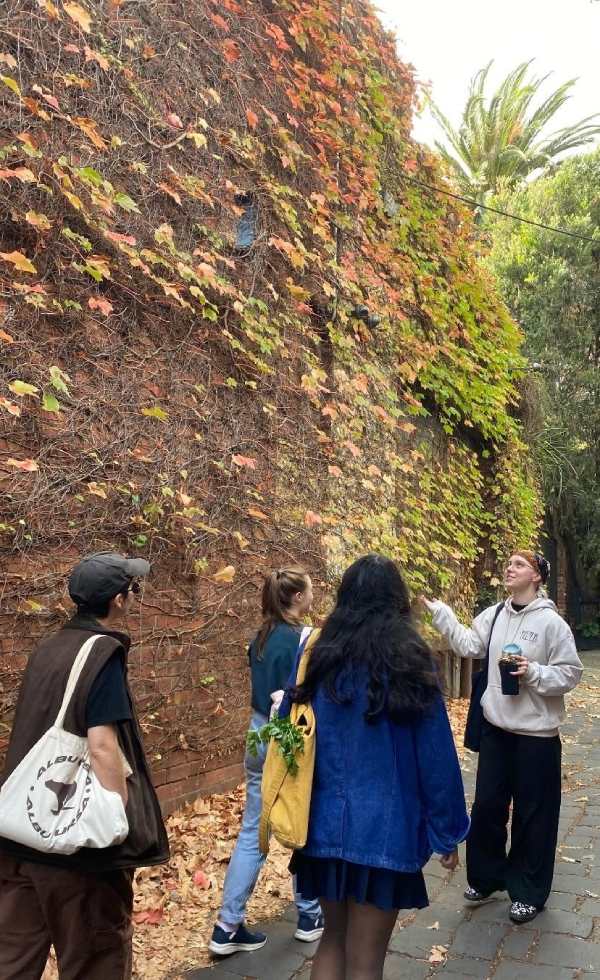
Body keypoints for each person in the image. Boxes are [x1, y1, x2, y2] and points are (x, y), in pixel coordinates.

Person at [281, 554, 469, 980]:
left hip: (322, 824)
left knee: (332, 940)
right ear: (397, 600)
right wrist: (448, 830)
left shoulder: (316, 653)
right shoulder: (408, 657)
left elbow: (290, 729)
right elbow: (435, 755)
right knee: (366, 960)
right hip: (384, 831)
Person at [0, 551, 169, 979]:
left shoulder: (48, 648)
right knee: (96, 958)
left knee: (13, 960)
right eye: (133, 589)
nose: (134, 596)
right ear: (117, 599)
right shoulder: (102, 654)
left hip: (21, 837)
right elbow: (101, 745)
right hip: (76, 852)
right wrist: (115, 812)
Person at [424, 549, 583, 924]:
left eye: (519, 565)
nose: (509, 569)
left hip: (537, 737)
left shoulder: (552, 625)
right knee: (487, 808)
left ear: (537, 577)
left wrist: (534, 673)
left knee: (534, 814)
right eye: (509, 563)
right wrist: (444, 616)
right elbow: (468, 645)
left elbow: (571, 673)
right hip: (497, 730)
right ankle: (486, 877)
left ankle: (528, 890)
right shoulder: (494, 615)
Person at [209, 566, 324, 956]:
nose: (313, 595)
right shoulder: (307, 639)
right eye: (309, 591)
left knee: (253, 832)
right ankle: (309, 915)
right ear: (296, 598)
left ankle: (227, 925)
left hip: (259, 733)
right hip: (293, 737)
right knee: (300, 817)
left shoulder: (257, 639)